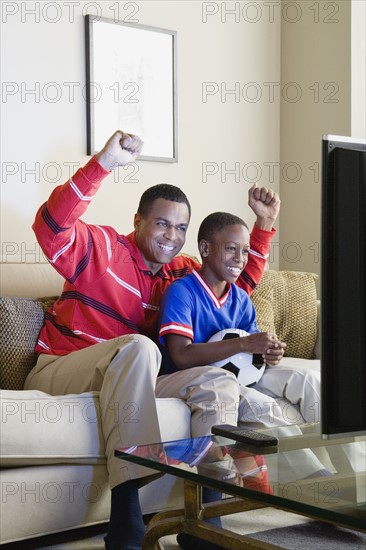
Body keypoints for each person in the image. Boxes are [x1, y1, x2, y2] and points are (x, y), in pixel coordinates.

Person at [24, 131, 280, 550]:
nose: (171, 236)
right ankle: (126, 516)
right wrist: (102, 165)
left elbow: (235, 284)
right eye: (162, 223)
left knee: (219, 382)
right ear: (138, 221)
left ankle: (204, 523)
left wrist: (264, 227)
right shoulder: (102, 247)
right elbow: (50, 228)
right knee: (139, 345)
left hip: (129, 377)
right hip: (62, 370)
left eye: (180, 228)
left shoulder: (177, 272)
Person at [158, 212, 328, 480]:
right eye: (231, 249)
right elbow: (180, 355)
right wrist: (246, 342)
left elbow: (252, 354)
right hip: (205, 379)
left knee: (308, 379)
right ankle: (317, 479)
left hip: (245, 376)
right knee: (263, 406)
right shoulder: (182, 292)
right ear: (205, 248)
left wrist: (269, 352)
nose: (240, 258)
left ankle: (354, 473)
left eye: (245, 251)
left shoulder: (240, 298)